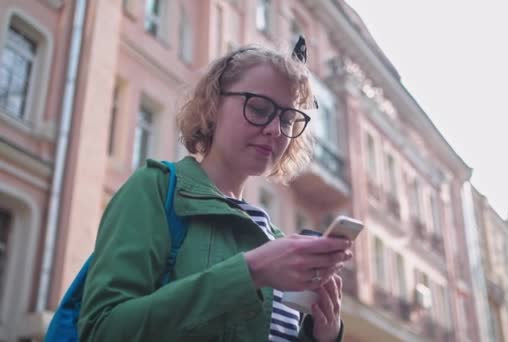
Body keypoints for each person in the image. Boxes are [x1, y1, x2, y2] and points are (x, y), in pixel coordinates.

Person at [77, 43, 352, 342]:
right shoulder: (155, 188)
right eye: (259, 108)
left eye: (287, 119)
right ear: (212, 105)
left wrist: (324, 334)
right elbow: (102, 331)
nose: (276, 129)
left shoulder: (274, 236)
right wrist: (251, 272)